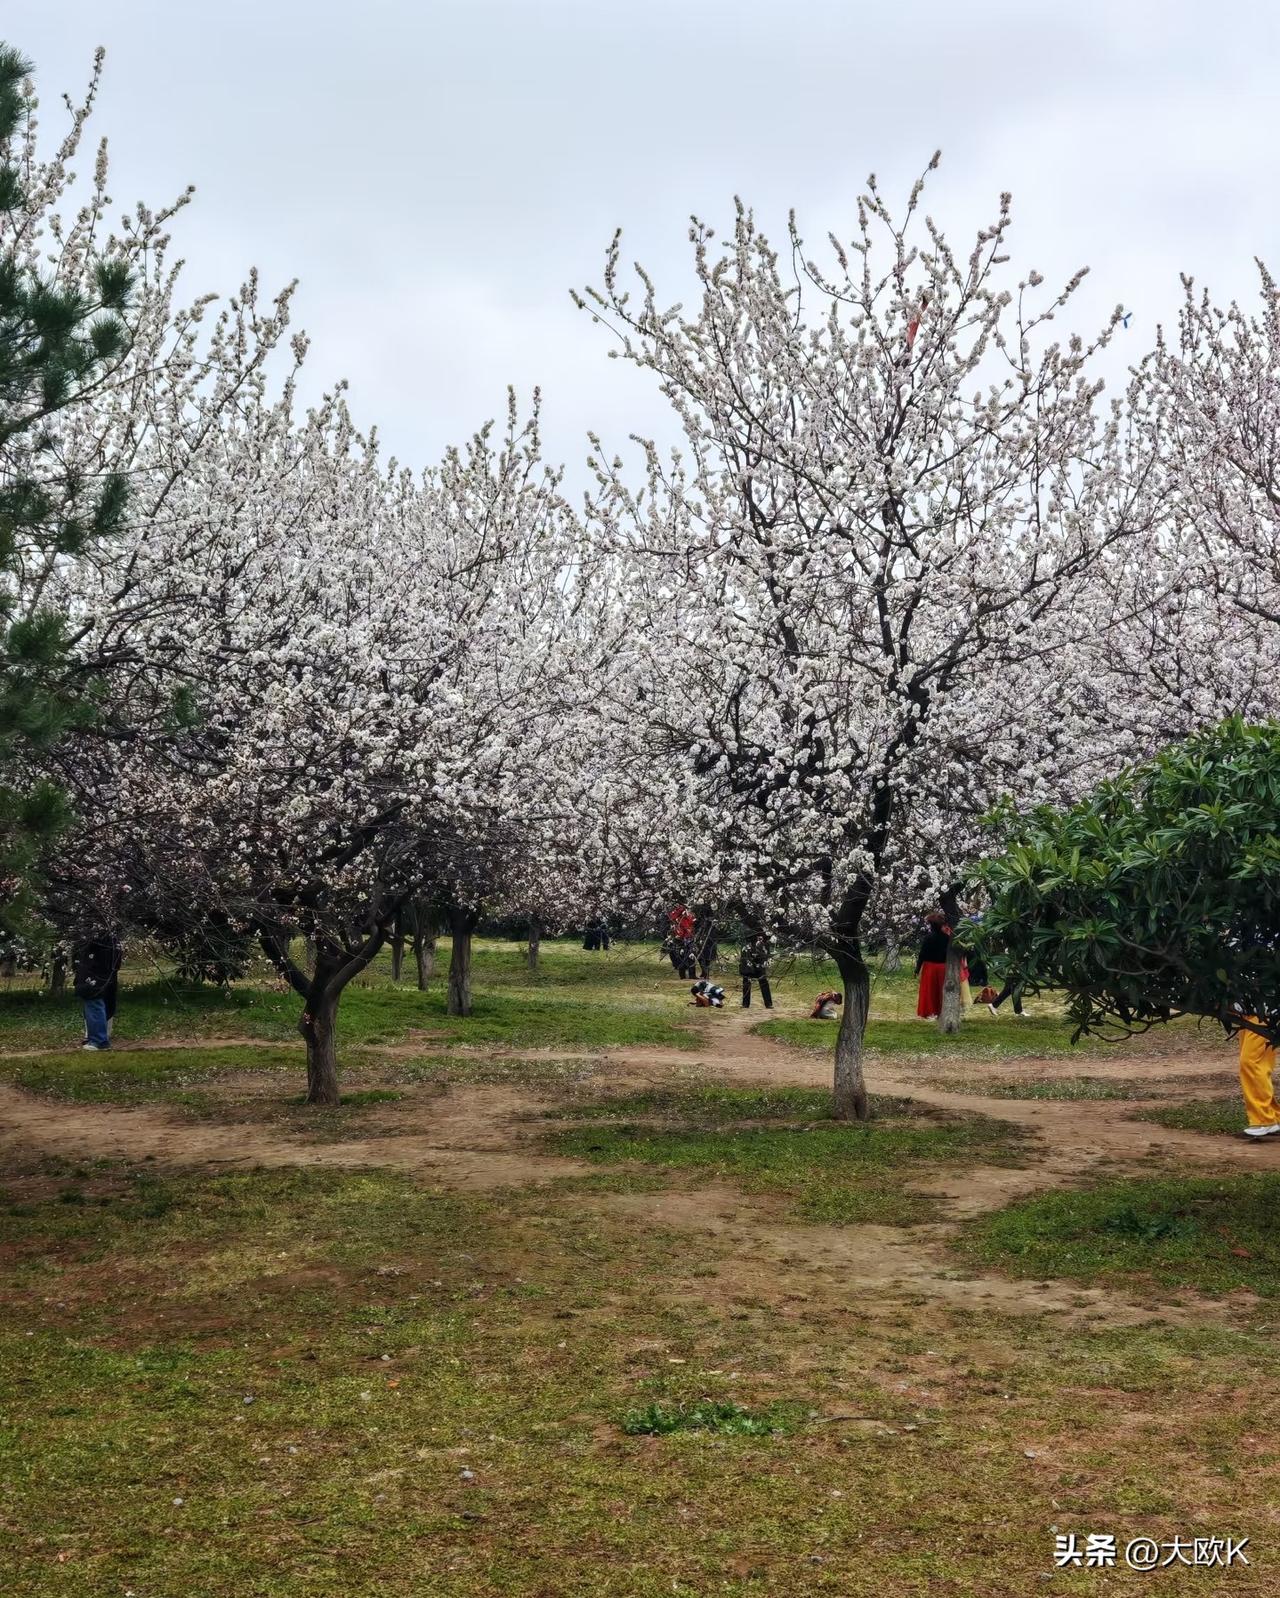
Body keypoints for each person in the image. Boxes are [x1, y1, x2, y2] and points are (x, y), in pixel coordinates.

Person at [74, 931, 122, 1051]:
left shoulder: (98, 939)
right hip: (103, 976)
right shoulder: (113, 940)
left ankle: (99, 1041)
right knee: (100, 1003)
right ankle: (97, 1038)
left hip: (94, 977)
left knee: (94, 1003)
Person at [1237, 1016, 1280, 1139]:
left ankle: (1263, 1119)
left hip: (1263, 1012)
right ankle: (1273, 1117)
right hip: (1247, 1013)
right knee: (1259, 1063)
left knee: (1251, 1063)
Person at [915, 911, 951, 1019]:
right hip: (943, 967)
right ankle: (941, 1011)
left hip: (929, 967)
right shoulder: (947, 938)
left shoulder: (928, 938)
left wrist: (917, 968)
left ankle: (929, 1011)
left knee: (929, 991)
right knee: (941, 991)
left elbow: (922, 954)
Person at [739, 932, 773, 1010]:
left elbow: (766, 954)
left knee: (763, 981)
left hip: (759, 963)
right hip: (749, 964)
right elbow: (744, 957)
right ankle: (745, 1004)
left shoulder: (763, 943)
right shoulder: (746, 945)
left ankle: (768, 1003)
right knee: (747, 982)